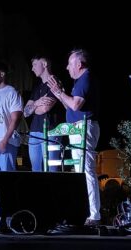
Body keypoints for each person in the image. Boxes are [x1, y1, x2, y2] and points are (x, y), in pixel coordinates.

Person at [47, 49, 101, 226]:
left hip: (84, 128)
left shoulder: (85, 78)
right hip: (77, 128)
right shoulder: (79, 82)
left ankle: (94, 215)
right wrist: (58, 92)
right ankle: (84, 212)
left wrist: (61, 93)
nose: (67, 67)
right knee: (80, 173)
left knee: (86, 171)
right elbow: (69, 106)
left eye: (70, 63)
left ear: (79, 64)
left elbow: (76, 105)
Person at [0, 63, 24, 177]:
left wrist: (4, 140)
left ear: (2, 74)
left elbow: (15, 119)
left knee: (6, 178)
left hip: (6, 141)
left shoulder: (12, 92)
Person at [24, 56, 62, 172]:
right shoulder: (37, 88)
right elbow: (25, 112)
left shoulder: (55, 82)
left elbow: (44, 108)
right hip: (34, 132)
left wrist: (34, 106)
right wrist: (37, 102)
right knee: (36, 170)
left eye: (35, 64)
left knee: (51, 169)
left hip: (51, 131)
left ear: (44, 64)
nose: (32, 68)